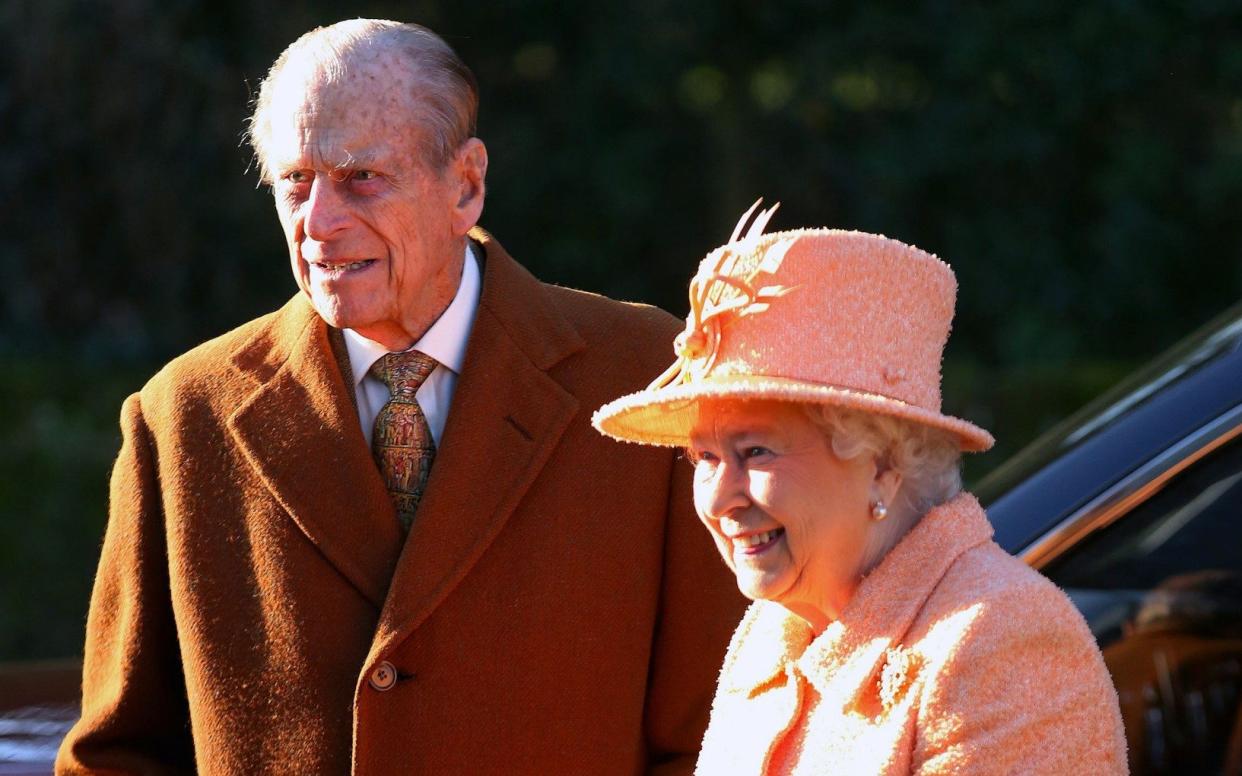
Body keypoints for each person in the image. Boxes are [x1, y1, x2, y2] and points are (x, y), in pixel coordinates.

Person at [56, 19, 743, 775]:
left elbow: (721, 736)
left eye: (361, 178)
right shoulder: (184, 416)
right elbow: (116, 754)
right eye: (295, 182)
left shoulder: (647, 376)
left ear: (466, 186)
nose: (317, 224)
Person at [593, 203, 1129, 774]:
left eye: (755, 452)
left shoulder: (998, 640)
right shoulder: (774, 634)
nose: (720, 498)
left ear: (881, 464)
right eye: (704, 456)